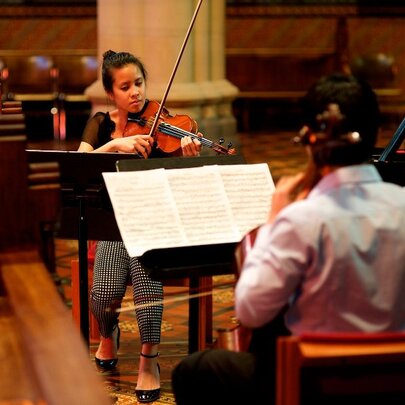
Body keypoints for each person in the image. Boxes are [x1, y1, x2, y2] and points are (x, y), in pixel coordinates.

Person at [171, 72, 405, 405]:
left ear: (310, 139)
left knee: (196, 371)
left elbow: (250, 312)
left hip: (315, 388)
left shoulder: (300, 220)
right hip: (391, 385)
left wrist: (271, 224)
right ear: (375, 133)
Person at [77, 50, 202, 403]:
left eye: (139, 83)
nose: (135, 92)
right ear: (111, 94)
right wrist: (116, 144)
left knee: (146, 286)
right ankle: (108, 331)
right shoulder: (100, 124)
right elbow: (79, 164)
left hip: (152, 221)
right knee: (102, 297)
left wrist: (185, 158)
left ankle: (149, 360)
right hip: (112, 225)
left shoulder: (165, 126)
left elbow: (183, 184)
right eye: (125, 86)